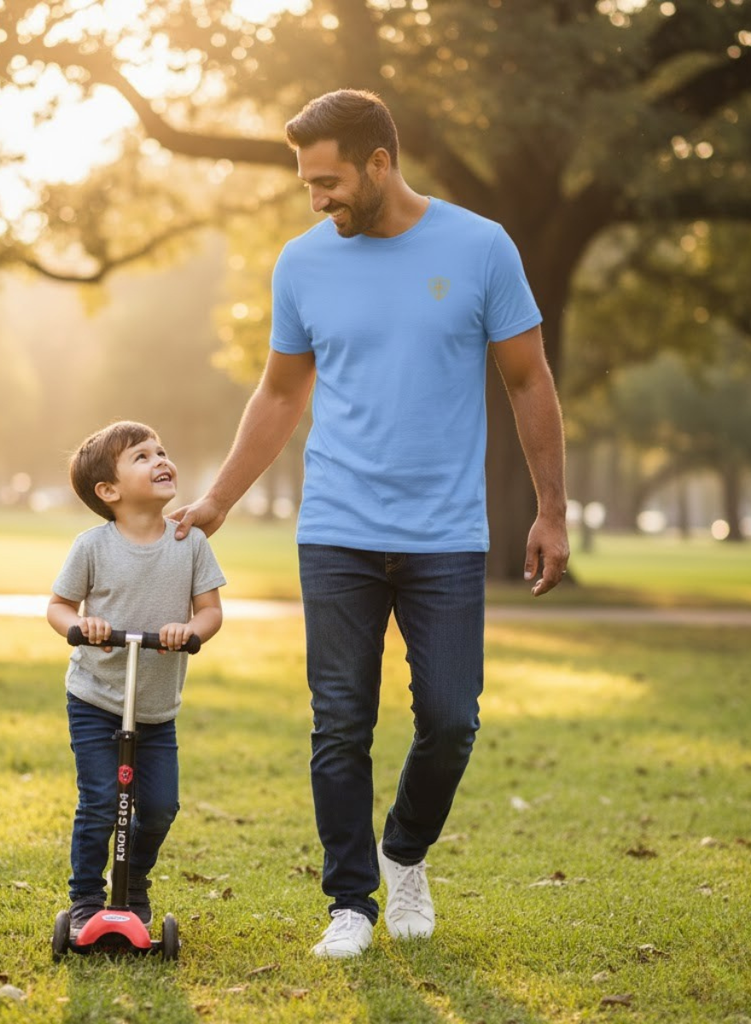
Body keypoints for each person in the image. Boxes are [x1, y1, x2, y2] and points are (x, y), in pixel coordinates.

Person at [171, 89, 569, 958]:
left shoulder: (480, 247)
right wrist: (218, 500)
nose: (317, 199)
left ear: (380, 164)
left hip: (448, 535)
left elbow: (529, 381)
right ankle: (351, 902)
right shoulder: (302, 263)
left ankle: (405, 854)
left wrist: (550, 510)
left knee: (453, 718)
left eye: (329, 181)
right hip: (340, 528)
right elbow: (280, 393)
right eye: (307, 184)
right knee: (340, 722)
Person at [47, 419, 225, 939]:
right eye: (142, 457)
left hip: (155, 705)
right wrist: (81, 627)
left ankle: (135, 882)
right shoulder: (92, 547)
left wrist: (189, 629)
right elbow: (58, 606)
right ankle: (85, 899)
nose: (160, 460)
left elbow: (211, 612)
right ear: (110, 491)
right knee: (101, 799)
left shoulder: (188, 543)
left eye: (161, 451)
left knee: (160, 805)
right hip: (95, 697)